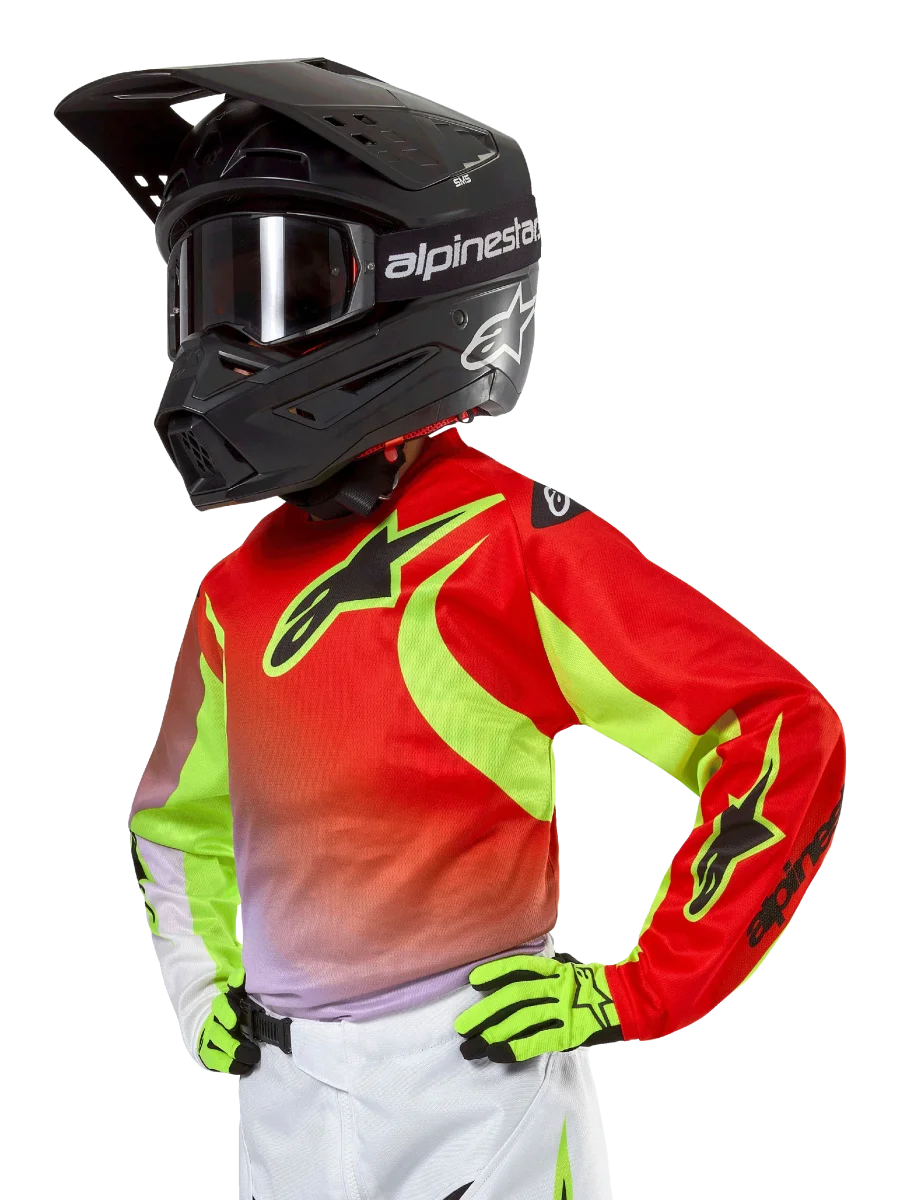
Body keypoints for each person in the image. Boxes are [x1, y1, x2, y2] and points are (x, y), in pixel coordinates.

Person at [55, 59, 846, 1200]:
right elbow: (178, 827)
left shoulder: (508, 542)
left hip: (474, 1091)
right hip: (280, 1101)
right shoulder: (232, 594)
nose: (216, 350)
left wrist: (643, 988)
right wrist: (199, 983)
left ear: (425, 283)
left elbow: (779, 733)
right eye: (207, 292)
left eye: (282, 286)